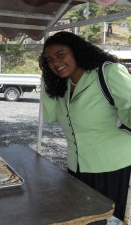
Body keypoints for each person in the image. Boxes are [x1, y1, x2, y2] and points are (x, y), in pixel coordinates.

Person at [39, 31, 131, 222]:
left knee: (107, 221)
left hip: (110, 169)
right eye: (49, 60)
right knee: (81, 220)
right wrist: (46, 79)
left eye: (60, 55)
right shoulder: (63, 85)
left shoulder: (108, 72)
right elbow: (49, 117)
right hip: (76, 170)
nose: (55, 62)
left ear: (76, 52)